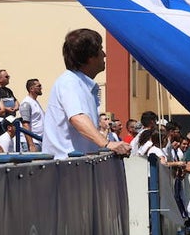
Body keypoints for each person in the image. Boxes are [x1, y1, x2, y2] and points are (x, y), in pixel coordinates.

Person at [41, 28, 130, 159]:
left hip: (77, 165)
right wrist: (107, 144)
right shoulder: (70, 82)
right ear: (90, 57)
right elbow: (77, 117)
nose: (104, 54)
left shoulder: (80, 84)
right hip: (66, 166)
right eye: (100, 50)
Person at [18, 78, 45, 151]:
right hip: (32, 142)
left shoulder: (35, 102)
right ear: (31, 89)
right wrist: (31, 144)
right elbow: (25, 124)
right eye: (38, 86)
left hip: (39, 141)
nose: (41, 88)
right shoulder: (26, 103)